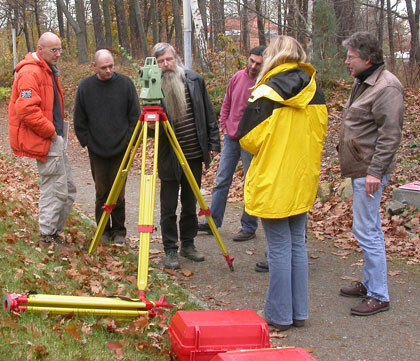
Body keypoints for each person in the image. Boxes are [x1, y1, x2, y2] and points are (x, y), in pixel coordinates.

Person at [237, 35, 328, 330]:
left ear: (273, 56)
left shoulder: (265, 92)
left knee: (278, 246)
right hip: (302, 177)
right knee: (297, 245)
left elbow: (248, 139)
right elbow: (320, 133)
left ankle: (279, 315)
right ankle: (298, 313)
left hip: (274, 178)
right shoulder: (315, 91)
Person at [338, 32, 403, 316]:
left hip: (370, 170)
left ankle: (379, 294)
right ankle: (369, 282)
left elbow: (390, 135)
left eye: (350, 57)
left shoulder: (387, 87)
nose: (346, 61)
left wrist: (376, 172)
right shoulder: (364, 82)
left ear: (367, 58)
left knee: (368, 231)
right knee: (364, 227)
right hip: (361, 167)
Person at [151, 42, 220, 269]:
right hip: (168, 156)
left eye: (168, 59)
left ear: (176, 58)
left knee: (190, 204)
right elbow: (149, 129)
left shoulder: (194, 80)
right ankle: (170, 249)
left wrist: (213, 143)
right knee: (168, 206)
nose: (166, 64)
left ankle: (188, 244)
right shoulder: (153, 87)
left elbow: (208, 113)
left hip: (193, 154)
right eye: (160, 62)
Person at [8, 32, 76, 247]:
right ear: (40, 49)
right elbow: (26, 110)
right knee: (54, 188)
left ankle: (53, 232)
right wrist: (51, 133)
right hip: (47, 139)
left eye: (60, 49)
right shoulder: (30, 73)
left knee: (68, 189)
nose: (58, 54)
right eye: (53, 50)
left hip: (54, 139)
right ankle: (47, 236)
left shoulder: (46, 70)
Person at [197, 46, 265, 242]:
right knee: (221, 181)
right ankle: (213, 222)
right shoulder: (237, 77)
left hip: (251, 141)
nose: (253, 66)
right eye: (251, 60)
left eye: (258, 63)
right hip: (231, 137)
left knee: (250, 183)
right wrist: (224, 124)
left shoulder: (265, 83)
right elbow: (227, 102)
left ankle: (249, 226)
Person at [73, 49, 140, 244]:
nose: (109, 70)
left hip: (122, 149)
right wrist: (87, 142)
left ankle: (119, 231)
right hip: (97, 150)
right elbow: (80, 119)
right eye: (104, 67)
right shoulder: (85, 87)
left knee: (118, 192)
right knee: (101, 192)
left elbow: (135, 116)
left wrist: (129, 141)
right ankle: (103, 229)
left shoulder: (125, 84)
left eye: (111, 66)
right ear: (94, 67)